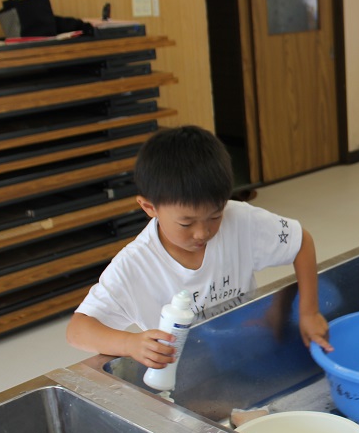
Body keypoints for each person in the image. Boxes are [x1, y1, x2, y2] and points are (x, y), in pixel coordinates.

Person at [66, 125, 332, 368]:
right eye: (186, 223)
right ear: (149, 208)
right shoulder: (136, 265)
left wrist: (307, 311)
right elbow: (78, 330)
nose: (202, 232)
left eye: (214, 216)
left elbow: (301, 242)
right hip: (185, 374)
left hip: (246, 353)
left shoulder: (239, 220)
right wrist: (131, 344)